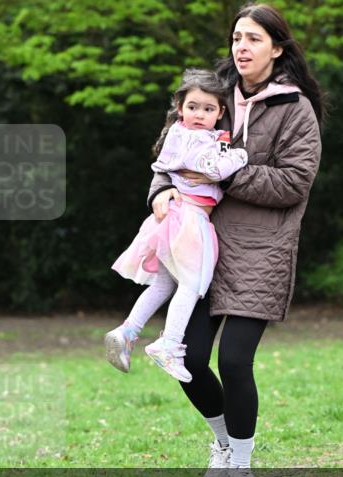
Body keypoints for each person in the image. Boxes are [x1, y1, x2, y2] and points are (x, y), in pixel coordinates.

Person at [148, 3, 324, 477]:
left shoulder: (296, 109)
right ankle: (223, 443)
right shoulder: (214, 95)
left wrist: (225, 173)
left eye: (253, 39)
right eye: (236, 38)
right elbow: (172, 151)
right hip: (198, 243)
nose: (241, 47)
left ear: (278, 48)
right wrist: (159, 193)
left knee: (235, 359)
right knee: (187, 355)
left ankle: (243, 469)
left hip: (260, 249)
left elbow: (294, 182)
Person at [105, 70, 248, 382]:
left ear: (220, 112)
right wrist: (238, 156)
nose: (199, 115)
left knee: (164, 284)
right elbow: (210, 168)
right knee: (193, 284)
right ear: (180, 108)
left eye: (209, 109)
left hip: (177, 219)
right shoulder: (184, 136)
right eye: (193, 107)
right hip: (190, 219)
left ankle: (128, 331)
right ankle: (169, 344)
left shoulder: (198, 136)